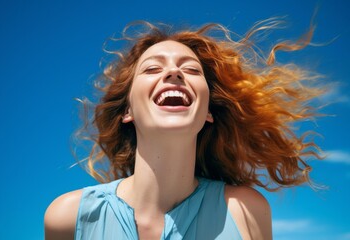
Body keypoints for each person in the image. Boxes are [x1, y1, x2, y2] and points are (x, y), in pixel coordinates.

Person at [44, 20, 324, 240]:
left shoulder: (244, 210)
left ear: (209, 113)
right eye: (152, 68)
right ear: (127, 111)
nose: (173, 73)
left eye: (191, 70)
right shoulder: (70, 217)